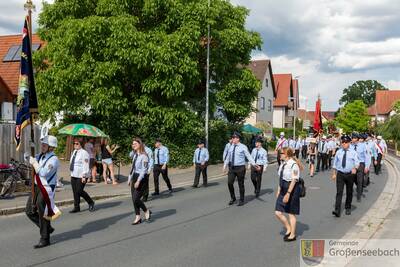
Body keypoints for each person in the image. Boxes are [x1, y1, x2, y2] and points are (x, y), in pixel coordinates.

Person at [25, 135, 61, 248]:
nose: (42, 146)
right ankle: (47, 228)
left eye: (45, 145)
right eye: (42, 144)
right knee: (29, 211)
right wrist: (28, 153)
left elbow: (44, 173)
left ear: (51, 147)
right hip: (36, 186)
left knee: (42, 212)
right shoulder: (40, 155)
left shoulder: (54, 159)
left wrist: (34, 163)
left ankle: (45, 238)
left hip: (46, 188)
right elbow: (29, 159)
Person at [274, 147, 303, 242]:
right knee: (278, 212)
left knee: (291, 213)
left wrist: (288, 193)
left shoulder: (293, 165)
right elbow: (281, 178)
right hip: (283, 188)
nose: (280, 155)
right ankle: (288, 228)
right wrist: (279, 190)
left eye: (281, 153)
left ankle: (293, 234)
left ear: (286, 154)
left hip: (292, 190)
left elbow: (294, 180)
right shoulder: (283, 164)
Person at [223, 132, 258, 206]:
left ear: (238, 139)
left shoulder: (243, 147)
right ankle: (233, 198)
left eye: (234, 138)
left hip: (240, 168)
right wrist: (224, 166)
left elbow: (248, 156)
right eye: (232, 138)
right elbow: (228, 157)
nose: (232, 139)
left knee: (240, 184)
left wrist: (254, 164)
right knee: (229, 183)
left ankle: (241, 200)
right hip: (232, 168)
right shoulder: (231, 146)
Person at [331, 135, 359, 217]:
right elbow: (335, 164)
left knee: (349, 192)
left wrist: (355, 168)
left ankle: (348, 207)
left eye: (346, 142)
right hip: (340, 174)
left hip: (350, 174)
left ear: (349, 143)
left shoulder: (353, 152)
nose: (344, 144)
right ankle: (337, 210)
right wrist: (333, 173)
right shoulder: (339, 152)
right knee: (339, 192)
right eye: (342, 142)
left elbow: (357, 163)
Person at [128, 138, 152, 225]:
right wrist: (129, 178)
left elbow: (143, 170)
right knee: (133, 199)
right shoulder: (135, 155)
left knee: (136, 198)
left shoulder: (144, 156)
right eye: (132, 144)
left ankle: (146, 210)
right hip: (134, 177)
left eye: (135, 144)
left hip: (141, 178)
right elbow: (132, 168)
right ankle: (138, 217)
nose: (133, 145)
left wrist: (138, 181)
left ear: (140, 144)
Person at [69, 138, 95, 213]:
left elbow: (85, 165)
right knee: (75, 192)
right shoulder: (74, 152)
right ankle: (76, 207)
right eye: (74, 143)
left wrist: (84, 175)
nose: (75, 145)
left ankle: (90, 202)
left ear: (81, 144)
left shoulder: (84, 153)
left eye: (77, 143)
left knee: (79, 191)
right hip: (74, 174)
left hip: (81, 175)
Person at [350, 133, 370, 202]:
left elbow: (367, 156)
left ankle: (359, 195)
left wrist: (367, 166)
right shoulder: (350, 146)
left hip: (361, 164)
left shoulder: (363, 145)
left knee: (360, 179)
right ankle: (360, 186)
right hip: (353, 164)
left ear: (357, 139)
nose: (352, 139)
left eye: (354, 138)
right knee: (354, 179)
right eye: (352, 138)